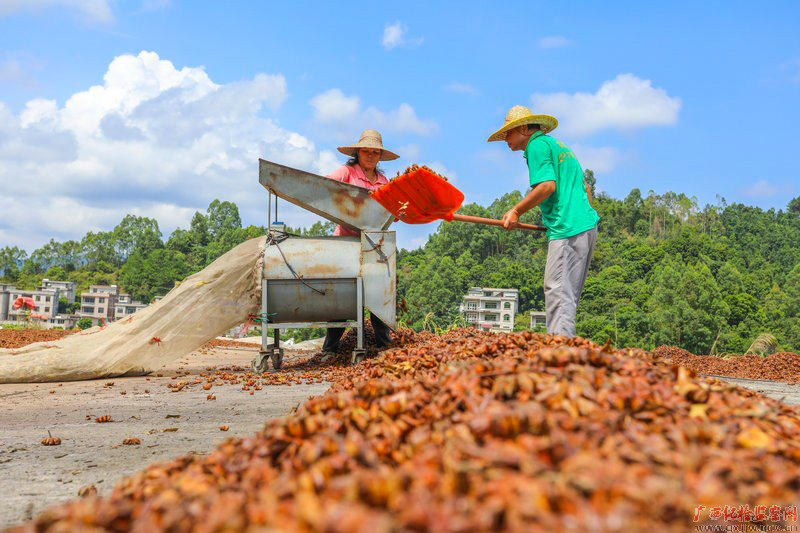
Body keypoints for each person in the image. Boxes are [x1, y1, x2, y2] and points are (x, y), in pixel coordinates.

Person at [488, 105, 599, 337]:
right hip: (587, 226)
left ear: (526, 129)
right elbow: (585, 188)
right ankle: (565, 348)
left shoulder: (536, 145)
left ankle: (560, 353)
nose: (505, 139)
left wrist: (516, 211)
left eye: (508, 132)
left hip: (567, 229)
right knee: (569, 295)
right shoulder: (557, 146)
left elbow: (547, 186)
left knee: (558, 291)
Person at [321, 129, 398, 354]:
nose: (371, 156)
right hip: (346, 243)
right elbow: (324, 186)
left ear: (380, 156)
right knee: (342, 297)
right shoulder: (347, 172)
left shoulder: (384, 182)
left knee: (378, 294)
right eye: (366, 151)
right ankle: (330, 349)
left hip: (374, 245)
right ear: (358, 152)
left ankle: (384, 347)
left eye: (375, 152)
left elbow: (392, 211)